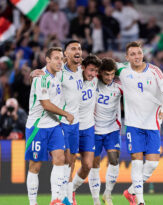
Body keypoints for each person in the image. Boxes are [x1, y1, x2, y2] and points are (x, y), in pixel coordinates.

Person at [116, 41, 163, 205]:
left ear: (143, 54)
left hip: (153, 122)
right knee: (137, 161)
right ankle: (140, 201)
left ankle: (131, 191)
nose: (136, 56)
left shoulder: (154, 71)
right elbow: (101, 66)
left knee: (153, 164)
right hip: (133, 124)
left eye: (139, 53)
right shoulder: (122, 69)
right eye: (132, 54)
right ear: (127, 57)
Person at [25, 47, 74, 205]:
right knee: (35, 165)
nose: (60, 62)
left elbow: (70, 61)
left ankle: (56, 200)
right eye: (56, 58)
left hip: (54, 125)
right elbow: (46, 104)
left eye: (61, 58)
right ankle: (33, 203)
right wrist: (65, 113)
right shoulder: (41, 78)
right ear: (47, 60)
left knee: (60, 159)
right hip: (38, 126)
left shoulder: (58, 74)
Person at [88, 58, 122, 205]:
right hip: (94, 130)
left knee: (114, 160)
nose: (109, 77)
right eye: (106, 74)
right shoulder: (92, 82)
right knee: (94, 164)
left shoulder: (120, 86)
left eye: (112, 74)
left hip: (112, 129)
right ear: (100, 73)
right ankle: (96, 200)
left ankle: (107, 194)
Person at [71, 55, 101, 201]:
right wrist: (37, 72)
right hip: (71, 126)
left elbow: (113, 69)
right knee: (68, 164)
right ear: (82, 68)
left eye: (95, 71)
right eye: (91, 70)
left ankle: (70, 191)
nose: (93, 74)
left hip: (88, 127)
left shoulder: (95, 79)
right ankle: (62, 196)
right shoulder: (73, 78)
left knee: (88, 165)